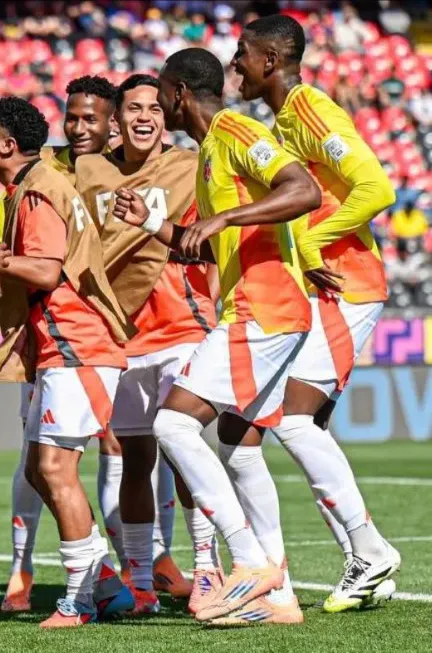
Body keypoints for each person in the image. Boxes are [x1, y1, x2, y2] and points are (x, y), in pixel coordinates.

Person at [111, 47, 324, 624]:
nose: (156, 106)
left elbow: (304, 190)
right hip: (264, 310)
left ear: (180, 93)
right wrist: (152, 224)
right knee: (237, 446)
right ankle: (278, 598)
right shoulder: (209, 154)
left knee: (173, 424)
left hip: (263, 309)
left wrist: (228, 217)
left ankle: (250, 562)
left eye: (161, 96)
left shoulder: (234, 129)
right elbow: (203, 244)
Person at [232, 14, 400, 615]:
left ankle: (371, 553)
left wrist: (311, 241)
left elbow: (377, 188)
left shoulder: (309, 111)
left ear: (272, 59)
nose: (236, 66)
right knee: (286, 424)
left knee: (292, 422)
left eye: (244, 55)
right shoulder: (283, 120)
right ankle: (356, 558)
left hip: (345, 284)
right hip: (329, 287)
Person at [0, 96, 135, 627]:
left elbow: (46, 271)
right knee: (38, 470)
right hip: (59, 347)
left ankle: (79, 598)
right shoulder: (29, 186)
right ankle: (103, 579)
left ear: (7, 145)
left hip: (77, 344)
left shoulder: (39, 189)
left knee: (53, 467)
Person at [77, 73, 219, 615]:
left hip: (183, 327)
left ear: (166, 116)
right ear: (116, 120)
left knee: (185, 455)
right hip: (121, 336)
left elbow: (208, 241)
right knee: (135, 458)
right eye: (133, 108)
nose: (144, 117)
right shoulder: (90, 172)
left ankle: (207, 569)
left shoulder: (189, 167)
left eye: (154, 109)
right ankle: (140, 581)